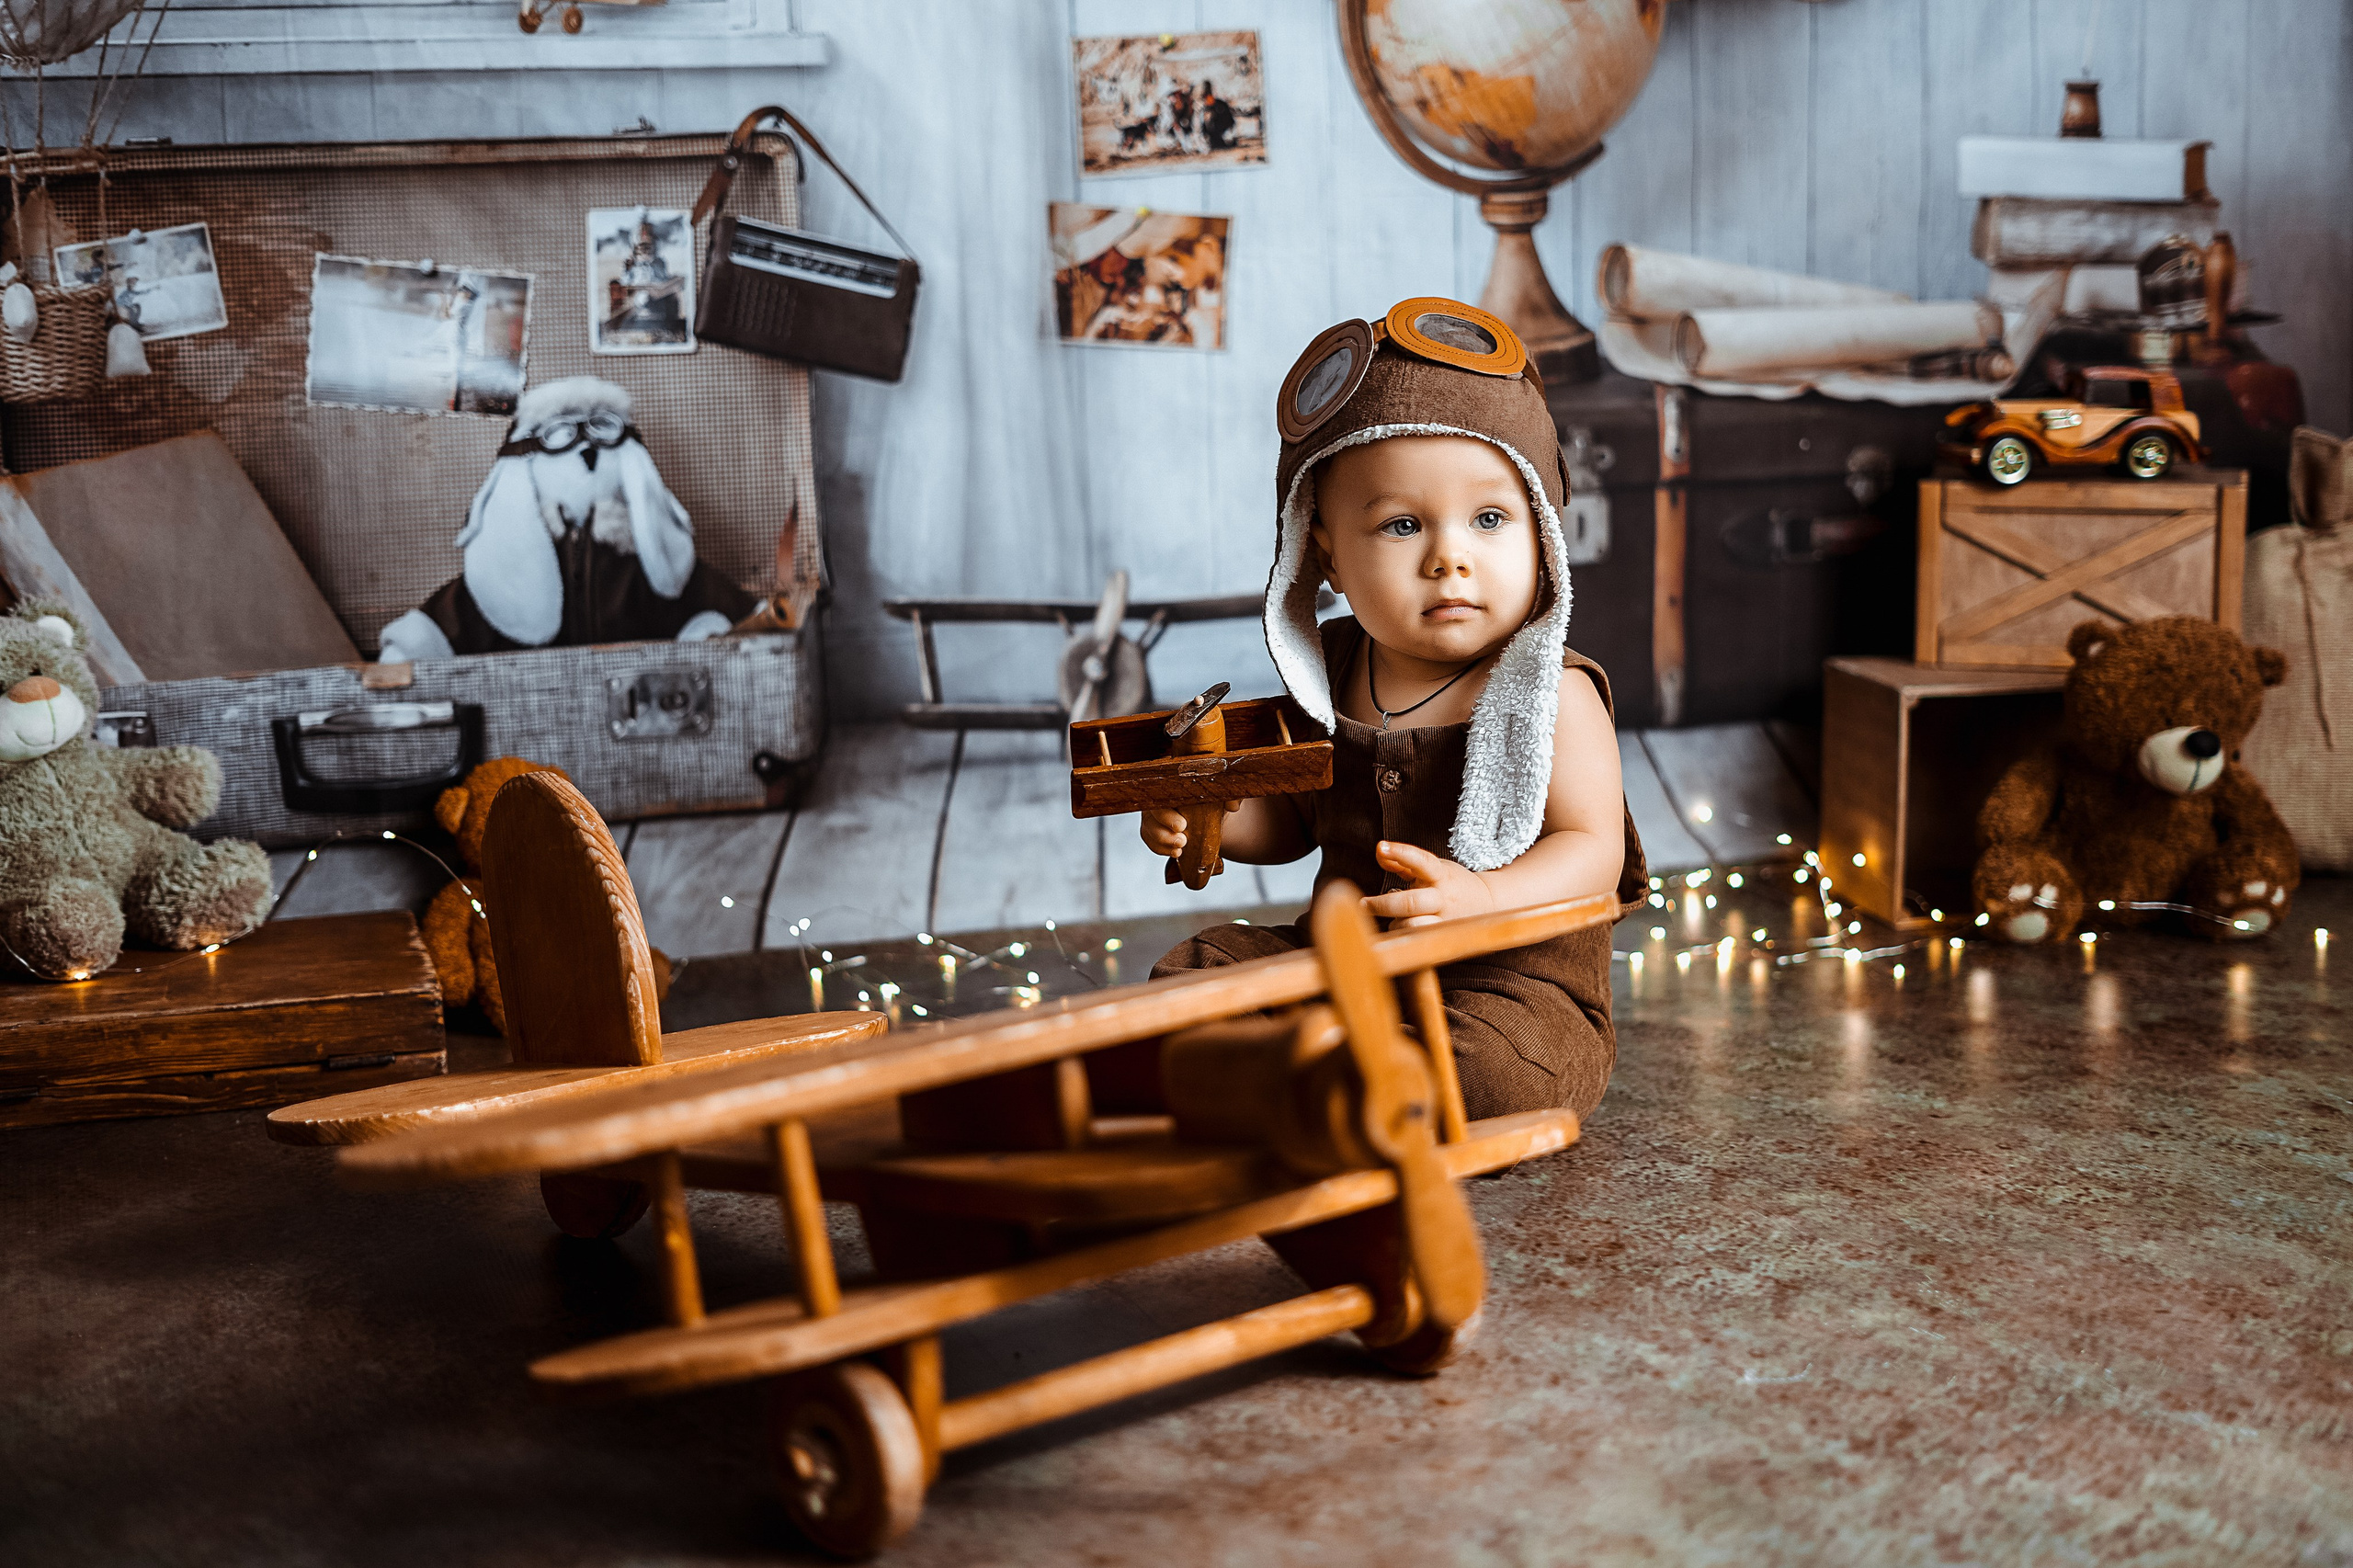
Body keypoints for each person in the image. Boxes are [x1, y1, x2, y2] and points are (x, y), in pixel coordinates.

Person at [1144, 298, 1646, 1121]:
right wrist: (1211, 819)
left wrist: (1485, 900)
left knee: (1493, 1074)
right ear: (1327, 555)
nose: (1450, 557)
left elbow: (1593, 852)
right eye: (1403, 525)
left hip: (1505, 987)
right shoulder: (1333, 673)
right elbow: (1293, 822)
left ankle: (1332, 1083)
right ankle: (1322, 1072)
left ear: (1542, 533)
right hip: (1347, 966)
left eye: (1490, 519)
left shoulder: (1550, 690)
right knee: (1194, 972)